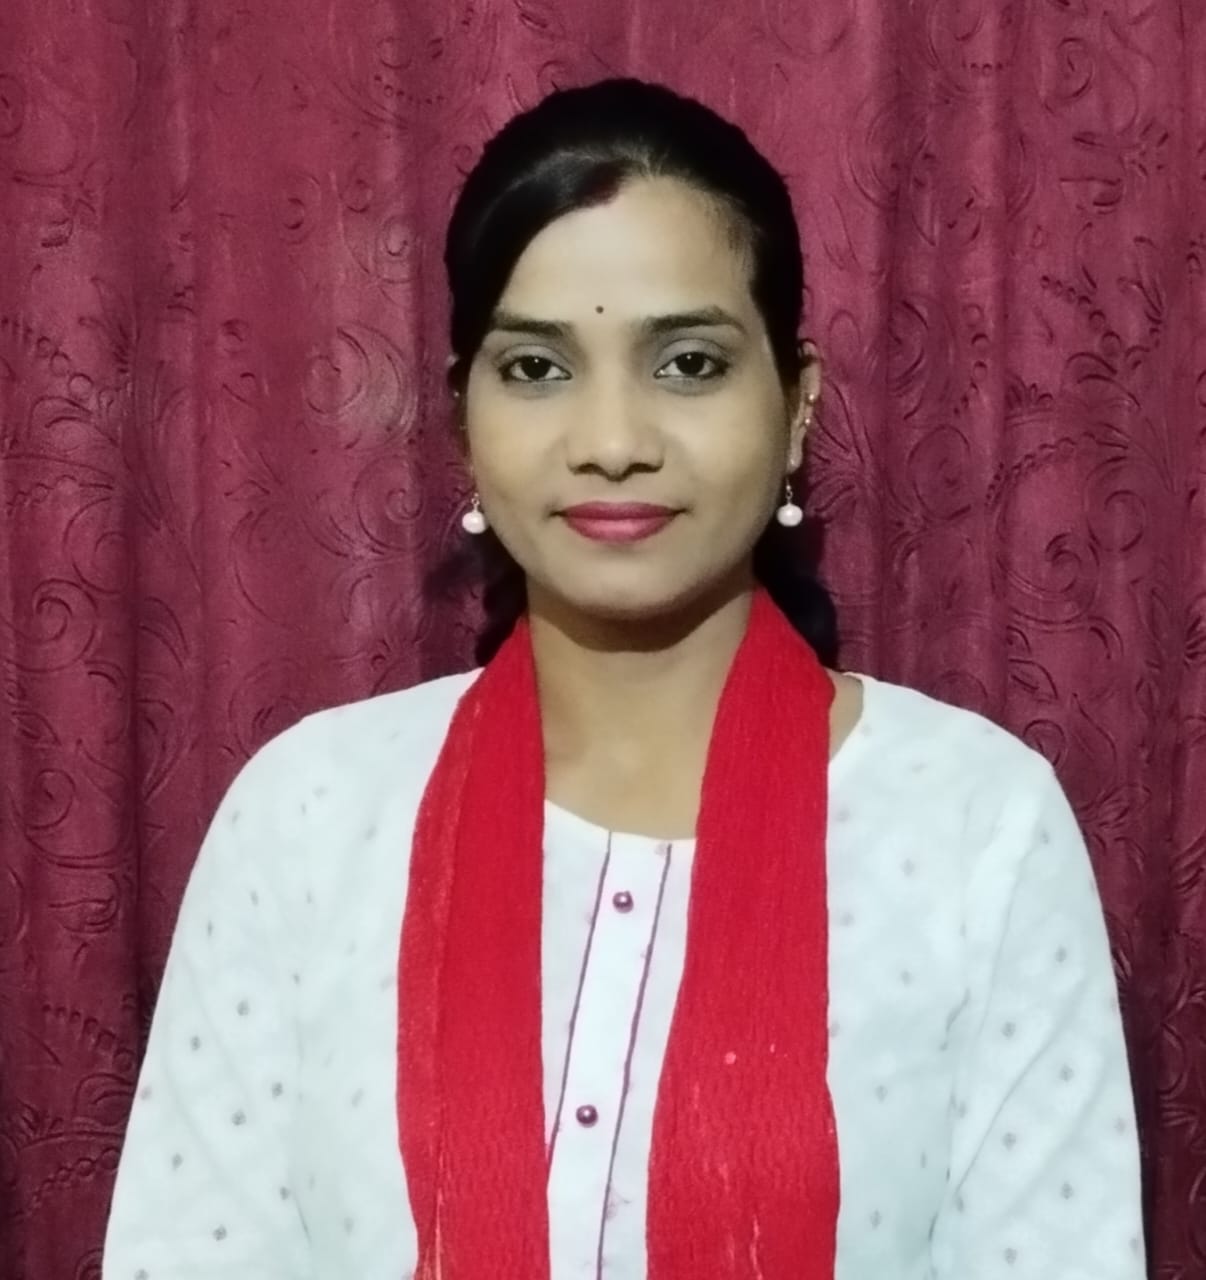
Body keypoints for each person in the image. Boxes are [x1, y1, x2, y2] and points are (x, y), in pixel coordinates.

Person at [102, 78, 1145, 1280]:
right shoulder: (310, 816)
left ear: (796, 404)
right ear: (462, 417)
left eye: (689, 362)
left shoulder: (976, 824)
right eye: (537, 367)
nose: (611, 440)